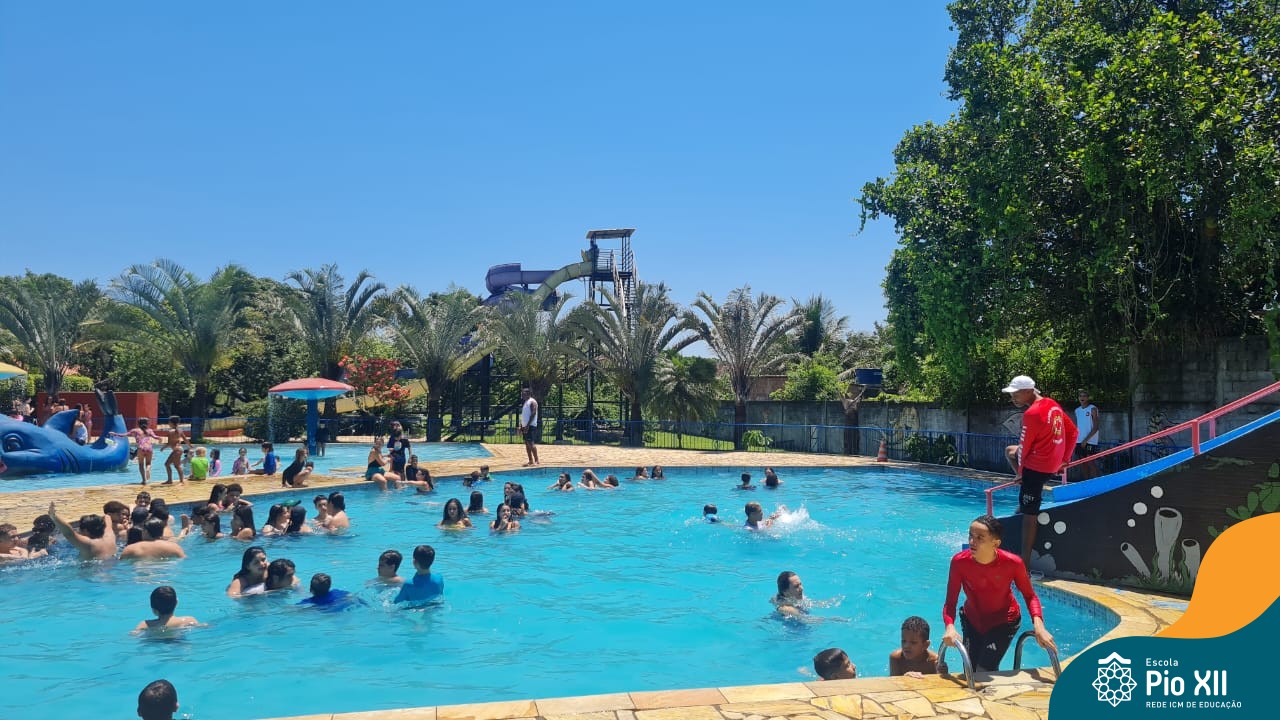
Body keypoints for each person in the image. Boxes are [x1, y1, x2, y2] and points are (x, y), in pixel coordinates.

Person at [942, 514, 1056, 672]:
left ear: (995, 543)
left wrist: (1039, 627)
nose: (972, 542)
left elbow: (1030, 596)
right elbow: (950, 602)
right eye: (971, 535)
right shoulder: (959, 562)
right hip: (972, 620)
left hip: (1004, 622)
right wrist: (949, 626)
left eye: (980, 537)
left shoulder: (1013, 563)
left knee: (984, 670)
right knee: (969, 671)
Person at [1002, 375, 1077, 567]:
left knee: (1030, 513)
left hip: (1036, 468)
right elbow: (1073, 432)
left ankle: (1024, 564)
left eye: (1016, 394)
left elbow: (1025, 447)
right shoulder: (1052, 405)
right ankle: (1023, 496)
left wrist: (1021, 472)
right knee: (1010, 451)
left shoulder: (1032, 413)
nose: (1013, 398)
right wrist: (1065, 459)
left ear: (1028, 391)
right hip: (1052, 466)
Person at [47, 501, 116, 559]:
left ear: (85, 531)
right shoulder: (110, 536)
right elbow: (108, 518)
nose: (79, 531)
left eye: (80, 529)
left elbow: (69, 533)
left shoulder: (89, 544)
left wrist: (53, 516)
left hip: (92, 569)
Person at [112, 418, 160, 485]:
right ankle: (148, 470)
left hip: (141, 448)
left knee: (141, 464)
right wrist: (159, 438)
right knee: (148, 463)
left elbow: (124, 435)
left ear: (138, 424)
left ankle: (144, 480)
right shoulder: (149, 430)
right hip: (149, 448)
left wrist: (115, 434)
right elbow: (155, 437)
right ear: (147, 424)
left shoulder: (135, 430)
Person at [133, 586, 199, 633]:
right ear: (176, 603)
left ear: (154, 610)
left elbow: (134, 635)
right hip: (178, 640)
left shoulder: (145, 625)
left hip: (155, 641)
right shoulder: (188, 620)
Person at [120, 518, 187, 559]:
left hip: (141, 575)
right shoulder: (174, 547)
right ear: (161, 532)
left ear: (145, 532)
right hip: (164, 575)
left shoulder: (130, 549)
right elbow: (183, 559)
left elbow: (122, 562)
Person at [1074, 389, 1101, 480]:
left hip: (1090, 441)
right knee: (1083, 463)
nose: (1082, 398)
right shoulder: (1077, 410)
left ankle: (1098, 483)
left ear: (1088, 398)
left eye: (1084, 396)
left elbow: (1096, 427)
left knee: (1090, 462)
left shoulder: (1093, 409)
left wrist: (1086, 440)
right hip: (1079, 441)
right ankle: (1086, 483)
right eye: (1080, 396)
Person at [518, 387, 539, 466]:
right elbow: (524, 416)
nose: (522, 395)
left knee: (531, 443)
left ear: (528, 394)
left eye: (523, 394)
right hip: (525, 426)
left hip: (530, 426)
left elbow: (533, 413)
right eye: (522, 394)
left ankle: (536, 460)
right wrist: (521, 426)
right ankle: (530, 460)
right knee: (527, 444)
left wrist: (527, 425)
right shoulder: (525, 402)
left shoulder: (532, 402)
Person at [161, 416, 186, 484]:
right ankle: (176, 480)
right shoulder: (180, 430)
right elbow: (185, 439)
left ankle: (179, 481)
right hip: (179, 449)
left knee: (173, 465)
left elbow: (169, 443)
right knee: (170, 465)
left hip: (176, 450)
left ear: (171, 423)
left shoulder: (171, 431)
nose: (168, 423)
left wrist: (163, 448)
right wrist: (190, 446)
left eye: (169, 422)